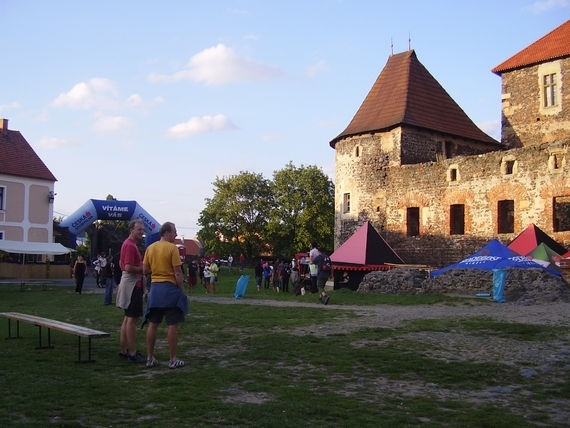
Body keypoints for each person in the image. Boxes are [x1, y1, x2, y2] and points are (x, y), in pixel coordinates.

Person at [142, 222, 187, 369]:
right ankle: (173, 359)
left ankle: (150, 358)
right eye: (174, 232)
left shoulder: (150, 248)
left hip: (155, 289)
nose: (176, 234)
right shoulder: (172, 248)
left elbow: (145, 269)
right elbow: (178, 272)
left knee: (153, 324)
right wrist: (181, 289)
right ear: (167, 232)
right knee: (172, 324)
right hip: (169, 289)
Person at [116, 220, 147, 363]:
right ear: (131, 230)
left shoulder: (130, 245)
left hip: (131, 283)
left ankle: (123, 351)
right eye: (139, 229)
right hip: (133, 285)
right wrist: (144, 269)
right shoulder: (129, 245)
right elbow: (128, 267)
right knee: (132, 320)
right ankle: (133, 353)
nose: (142, 232)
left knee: (127, 319)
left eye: (142, 229)